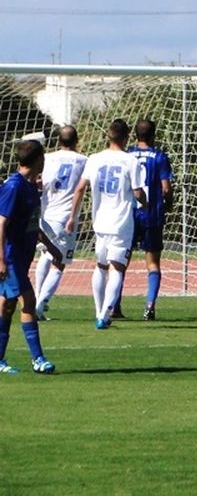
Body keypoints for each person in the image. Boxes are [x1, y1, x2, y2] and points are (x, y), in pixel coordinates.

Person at [67, 119, 147, 330]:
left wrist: (73, 216)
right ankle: (104, 314)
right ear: (126, 137)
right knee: (117, 268)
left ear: (108, 136)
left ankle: (98, 310)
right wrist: (146, 202)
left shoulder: (94, 159)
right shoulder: (131, 161)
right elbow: (138, 192)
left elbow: (80, 188)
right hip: (121, 222)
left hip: (100, 222)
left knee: (101, 267)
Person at [0, 139, 56, 374]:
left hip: (22, 257)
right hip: (11, 257)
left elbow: (31, 223)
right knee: (29, 302)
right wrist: (1, 259)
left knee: (7, 306)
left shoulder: (31, 185)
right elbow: (1, 224)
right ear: (37, 160)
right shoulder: (14, 186)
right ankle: (38, 359)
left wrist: (50, 246)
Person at [34, 125, 88, 320]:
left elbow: (39, 182)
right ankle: (40, 305)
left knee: (45, 255)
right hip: (66, 217)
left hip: (46, 214)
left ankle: (37, 300)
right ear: (77, 141)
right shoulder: (84, 161)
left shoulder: (47, 158)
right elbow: (82, 187)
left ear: (58, 140)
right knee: (59, 263)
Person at [126, 119, 173, 320]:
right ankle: (149, 305)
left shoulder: (127, 155)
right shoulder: (159, 156)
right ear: (153, 135)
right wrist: (169, 203)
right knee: (153, 263)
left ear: (136, 135)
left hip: (129, 215)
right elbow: (166, 187)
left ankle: (113, 306)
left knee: (121, 261)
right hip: (152, 215)